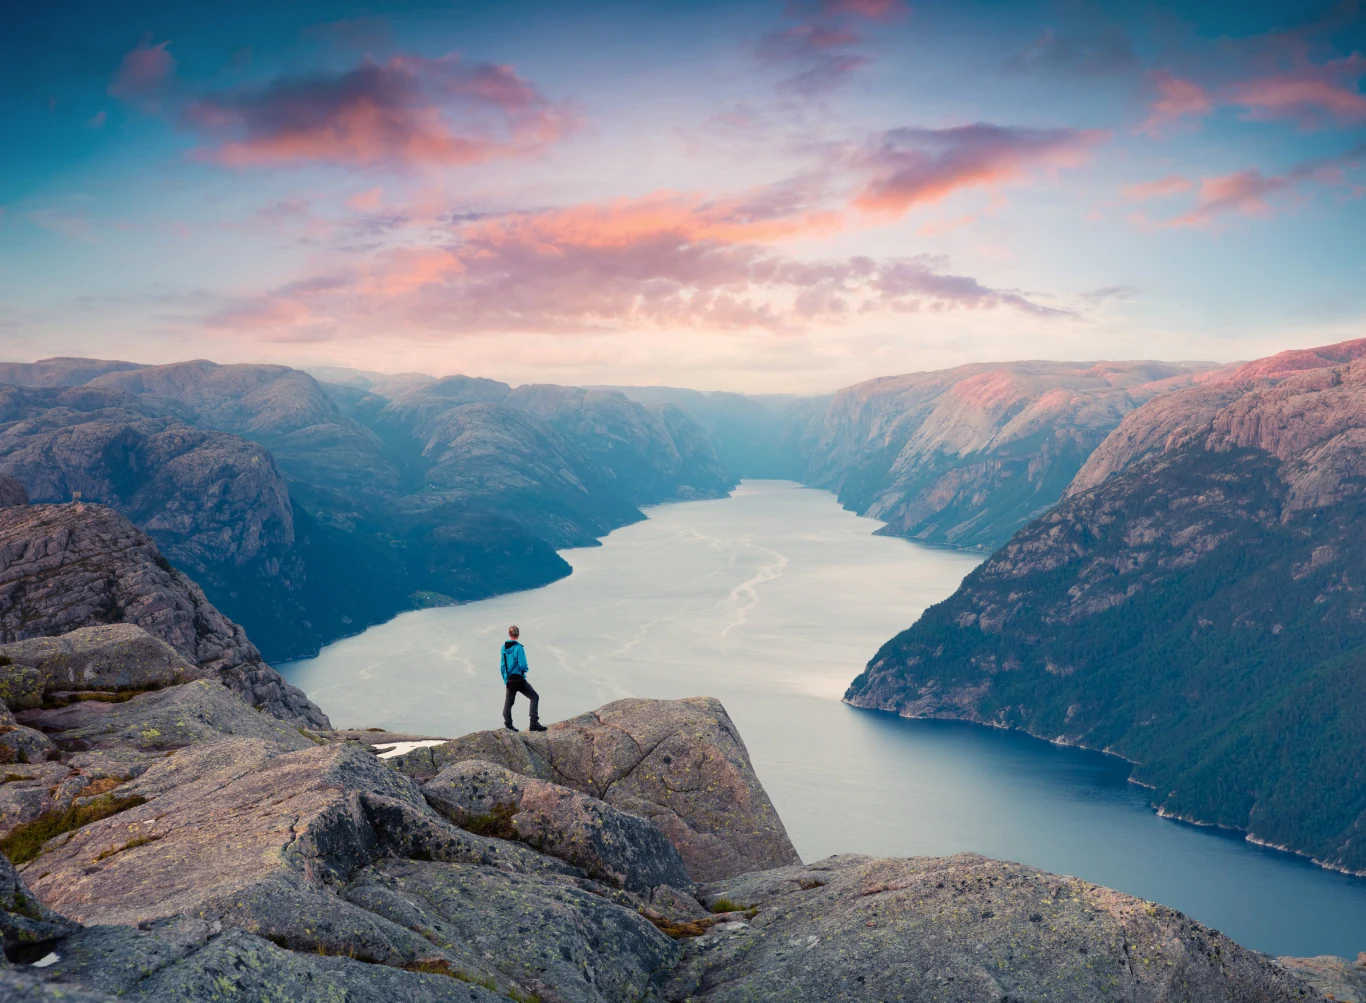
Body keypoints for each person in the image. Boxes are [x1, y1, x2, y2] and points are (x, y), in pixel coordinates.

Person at [500, 625, 546, 732]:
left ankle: (508, 725)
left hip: (510, 681)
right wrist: (524, 671)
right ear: (518, 634)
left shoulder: (503, 648)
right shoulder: (518, 647)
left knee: (508, 702)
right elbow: (523, 665)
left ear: (509, 634)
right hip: (519, 680)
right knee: (534, 697)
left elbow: (502, 666)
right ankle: (533, 724)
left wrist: (506, 679)